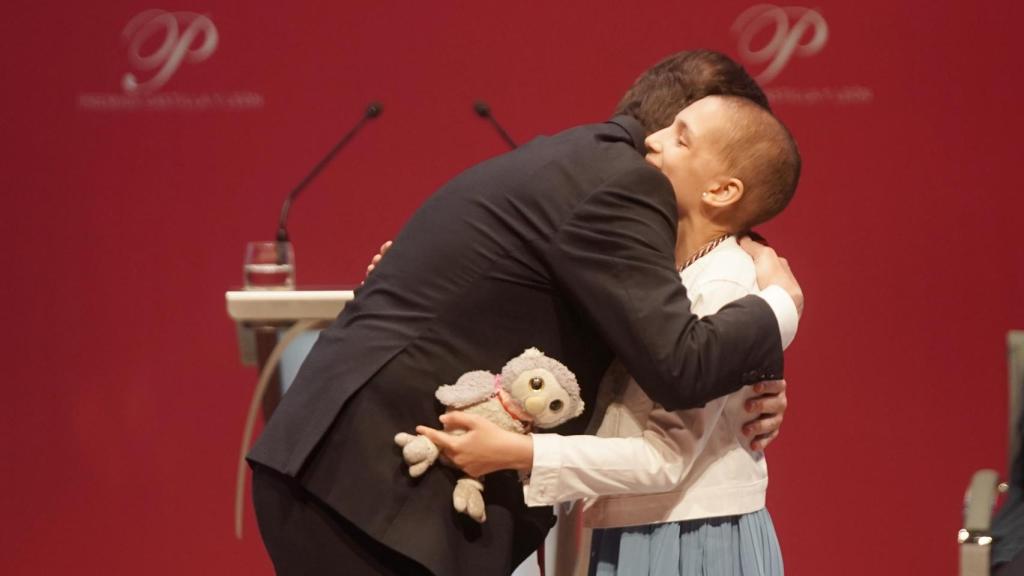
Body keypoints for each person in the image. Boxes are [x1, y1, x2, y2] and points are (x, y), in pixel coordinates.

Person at [247, 50, 803, 576]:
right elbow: (681, 364)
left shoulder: (585, 163)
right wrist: (781, 307)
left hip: (363, 484)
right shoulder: (624, 184)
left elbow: (651, 349)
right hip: (373, 489)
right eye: (680, 128)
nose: (660, 142)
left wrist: (744, 389)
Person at [416, 94, 800, 576]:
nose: (652, 140)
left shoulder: (724, 282)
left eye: (681, 139)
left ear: (722, 190)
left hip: (690, 538)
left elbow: (666, 460)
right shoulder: (659, 266)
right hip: (642, 527)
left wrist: (519, 453)